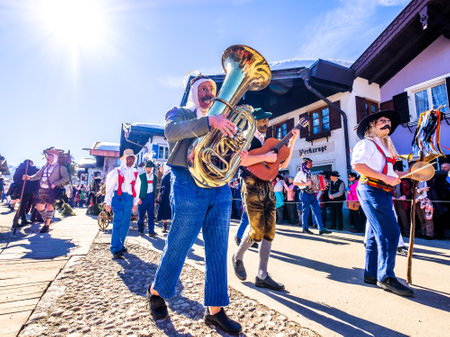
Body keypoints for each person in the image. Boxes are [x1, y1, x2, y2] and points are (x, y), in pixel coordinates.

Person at [147, 75, 241, 334]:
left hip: (219, 186)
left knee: (218, 248)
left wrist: (237, 152)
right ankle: (157, 292)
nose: (209, 92)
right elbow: (171, 132)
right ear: (193, 92)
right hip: (187, 181)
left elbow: (226, 152)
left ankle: (215, 311)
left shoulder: (223, 119)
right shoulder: (180, 112)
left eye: (212, 88)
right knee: (180, 242)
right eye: (203, 88)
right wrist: (210, 121)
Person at [232, 108, 299, 292]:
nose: (266, 123)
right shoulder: (245, 138)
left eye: (267, 120)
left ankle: (262, 275)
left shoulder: (268, 142)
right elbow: (241, 161)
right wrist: (265, 157)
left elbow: (282, 164)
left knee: (270, 231)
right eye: (262, 120)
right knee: (257, 230)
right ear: (253, 121)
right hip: (251, 185)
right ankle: (237, 256)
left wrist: (291, 143)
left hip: (268, 186)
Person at [352, 109, 414, 297]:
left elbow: (391, 174)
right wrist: (385, 179)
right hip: (371, 189)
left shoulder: (385, 148)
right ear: (372, 126)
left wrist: (412, 173)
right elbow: (358, 166)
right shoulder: (367, 143)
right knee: (390, 232)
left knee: (373, 234)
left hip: (380, 190)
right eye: (381, 121)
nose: (387, 123)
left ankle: (372, 274)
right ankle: (386, 276)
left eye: (388, 121)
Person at [22, 148, 69, 233]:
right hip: (42, 189)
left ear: (55, 157)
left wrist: (56, 183)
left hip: (53, 189)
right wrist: (29, 177)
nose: (48, 158)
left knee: (50, 205)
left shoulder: (61, 168)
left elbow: (66, 178)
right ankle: (48, 218)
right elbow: (37, 176)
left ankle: (46, 225)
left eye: (50, 156)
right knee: (39, 206)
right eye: (48, 156)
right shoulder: (45, 166)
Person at [105, 149, 141, 259]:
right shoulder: (116, 171)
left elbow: (137, 187)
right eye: (128, 158)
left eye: (132, 158)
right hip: (118, 197)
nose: (130, 160)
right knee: (118, 220)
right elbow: (110, 187)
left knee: (126, 223)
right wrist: (108, 202)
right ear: (124, 159)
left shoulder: (135, 173)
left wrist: (135, 202)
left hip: (129, 199)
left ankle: (121, 243)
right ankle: (115, 248)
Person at [294, 158, 331, 235]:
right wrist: (305, 184)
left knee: (317, 211)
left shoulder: (309, 172)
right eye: (310, 163)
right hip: (304, 193)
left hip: (311, 193)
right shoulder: (301, 173)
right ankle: (305, 228)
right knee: (306, 211)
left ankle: (321, 229)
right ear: (305, 164)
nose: (311, 164)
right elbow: (295, 182)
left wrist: (323, 184)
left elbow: (314, 184)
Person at [13, 159, 39, 225]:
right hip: (27, 189)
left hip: (21, 189)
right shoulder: (31, 168)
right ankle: (15, 222)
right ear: (30, 162)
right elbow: (37, 174)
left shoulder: (19, 168)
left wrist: (20, 183)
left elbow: (15, 178)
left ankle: (23, 220)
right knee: (22, 205)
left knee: (23, 205)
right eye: (32, 163)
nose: (32, 164)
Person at [137, 160, 158, 237]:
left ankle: (151, 231)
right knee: (141, 216)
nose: (149, 169)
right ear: (145, 168)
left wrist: (154, 198)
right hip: (142, 197)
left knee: (151, 215)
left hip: (151, 197)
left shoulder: (154, 177)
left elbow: (155, 188)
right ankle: (140, 230)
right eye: (147, 167)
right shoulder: (141, 176)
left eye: (150, 167)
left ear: (152, 168)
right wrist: (138, 198)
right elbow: (137, 187)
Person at [156, 165, 171, 233]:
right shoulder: (164, 175)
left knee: (169, 210)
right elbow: (162, 187)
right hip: (163, 194)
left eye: (162, 166)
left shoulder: (170, 175)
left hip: (168, 194)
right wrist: (159, 195)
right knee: (164, 210)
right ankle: (164, 226)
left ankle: (168, 227)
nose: (160, 168)